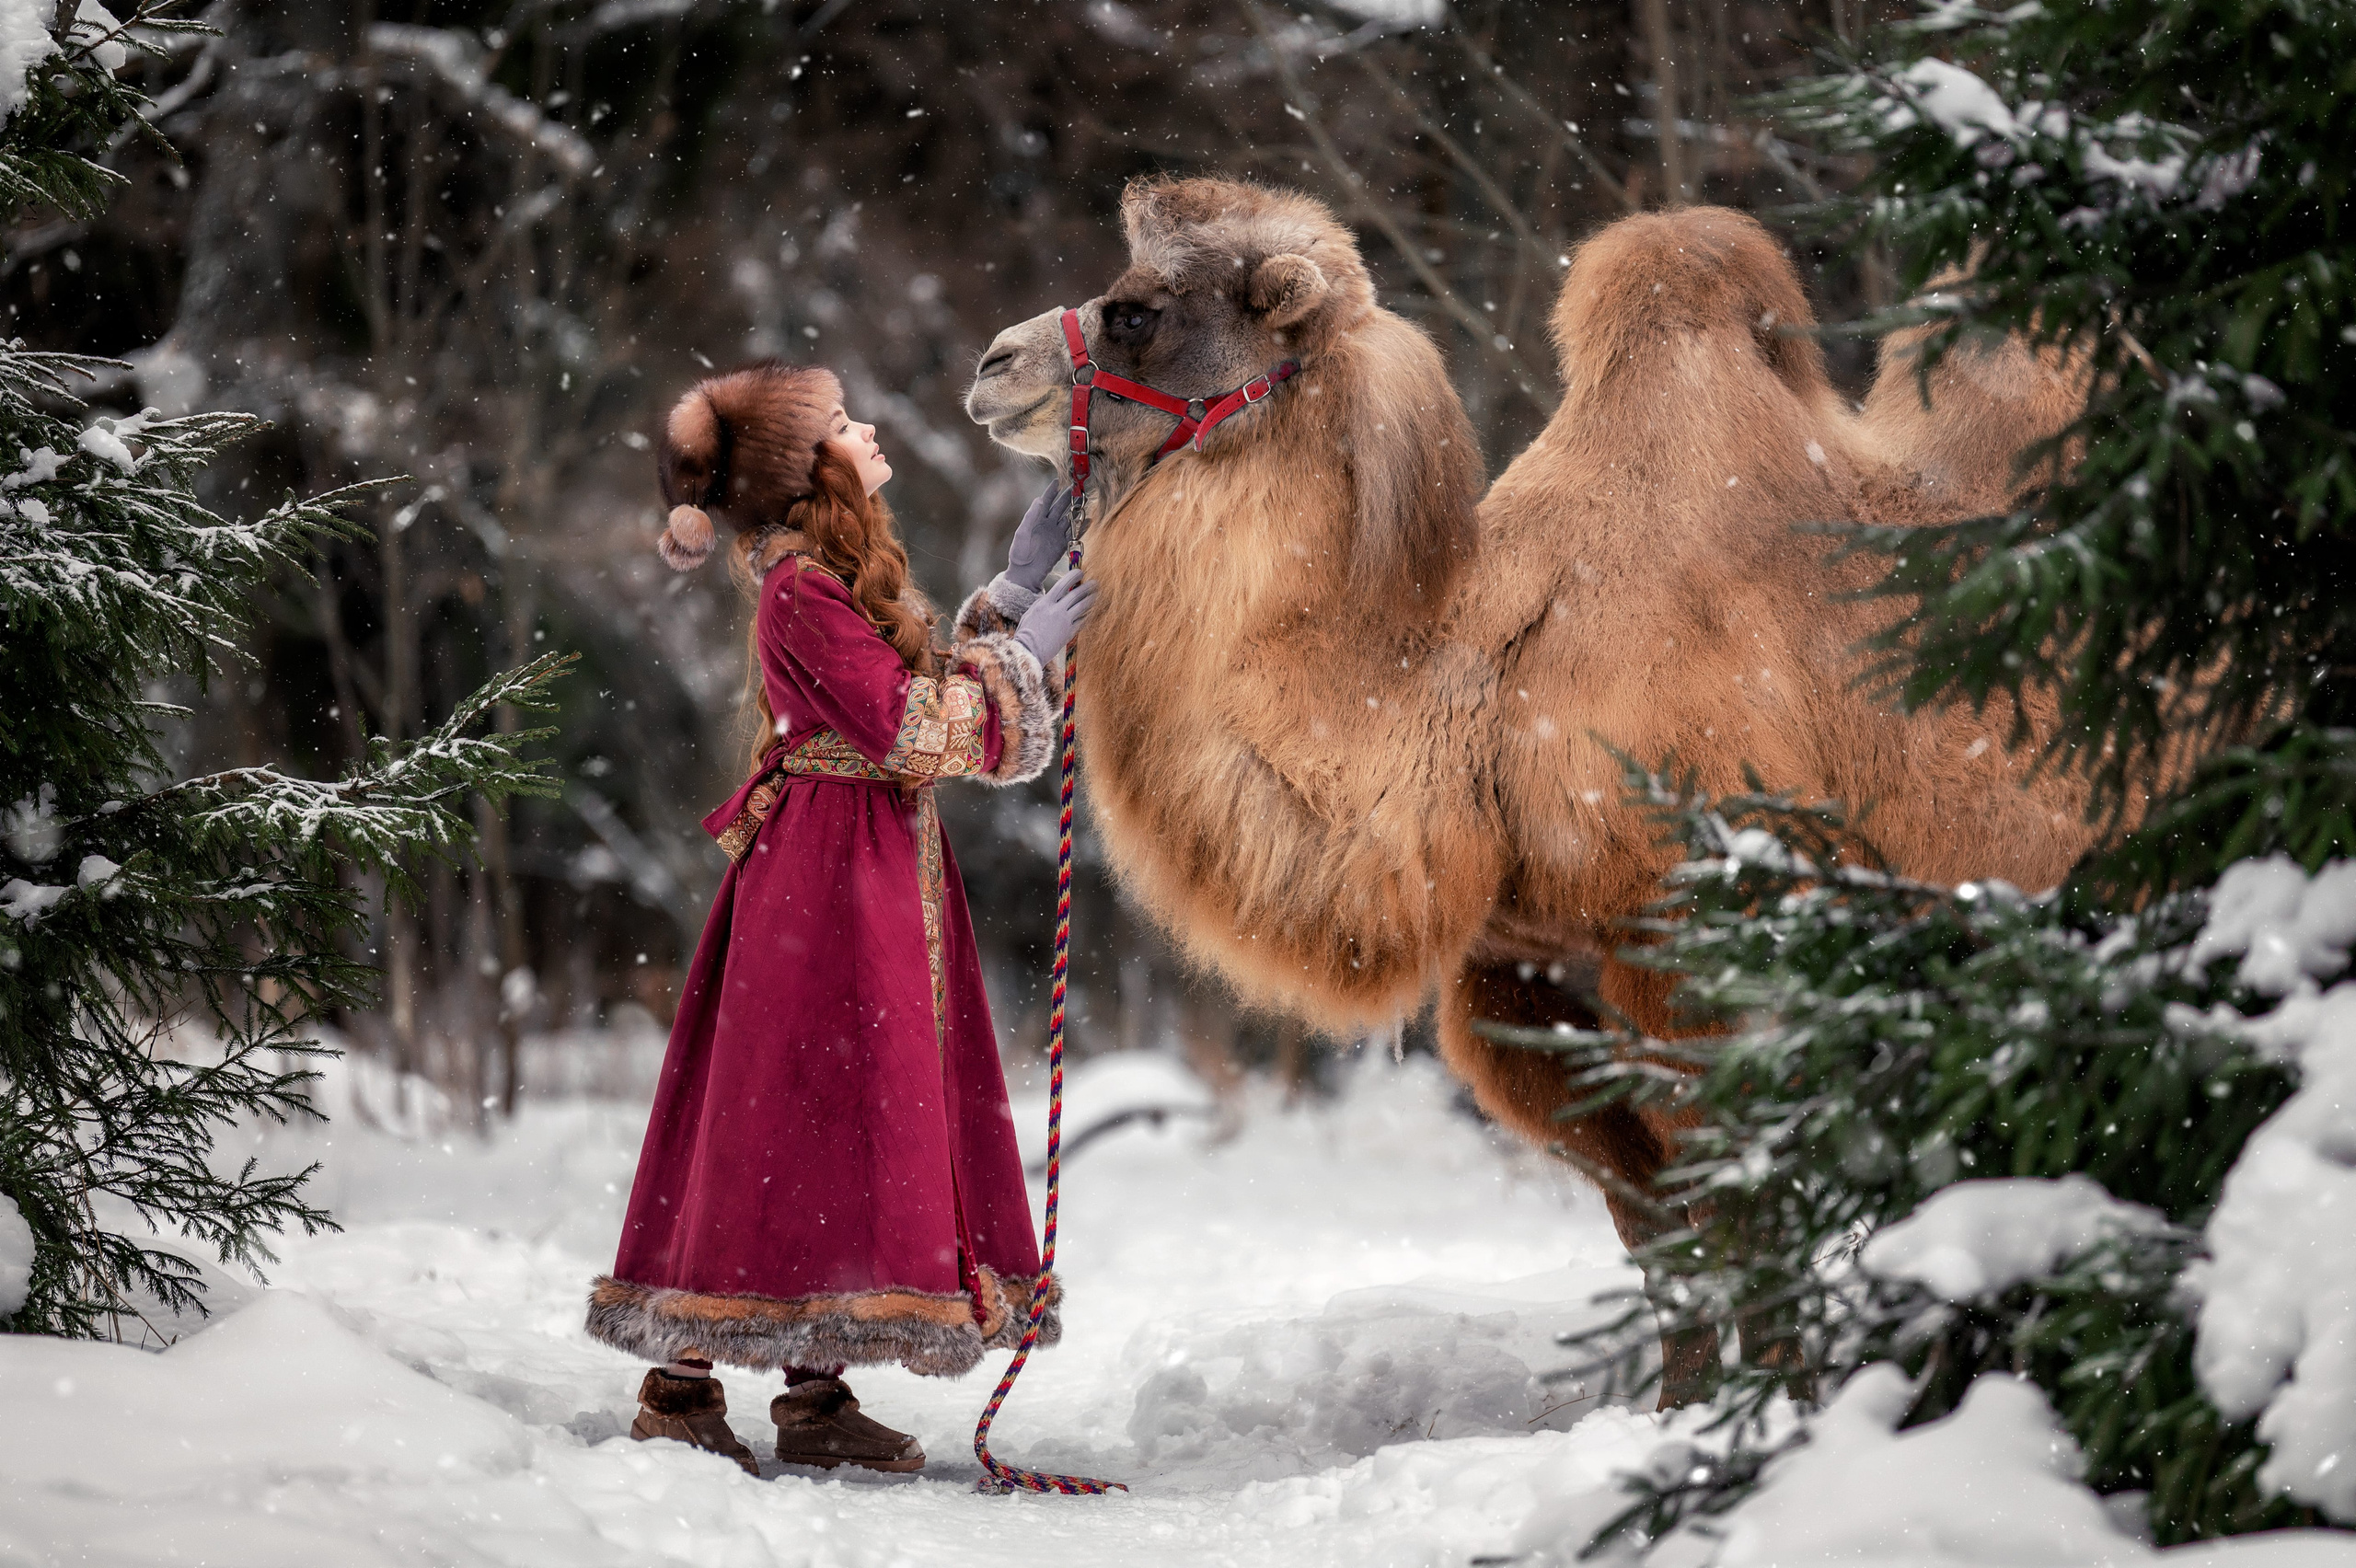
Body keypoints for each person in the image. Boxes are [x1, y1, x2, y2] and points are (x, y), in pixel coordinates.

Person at [583, 360, 1093, 1476]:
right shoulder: (798, 593)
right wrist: (1028, 656)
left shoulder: (824, 579)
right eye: (846, 423)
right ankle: (679, 1387)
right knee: (784, 1109)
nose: (869, 429)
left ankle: (815, 1397)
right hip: (825, 875)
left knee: (837, 1113)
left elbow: (899, 697)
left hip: (861, 861)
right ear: (802, 467)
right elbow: (910, 730)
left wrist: (1005, 604)